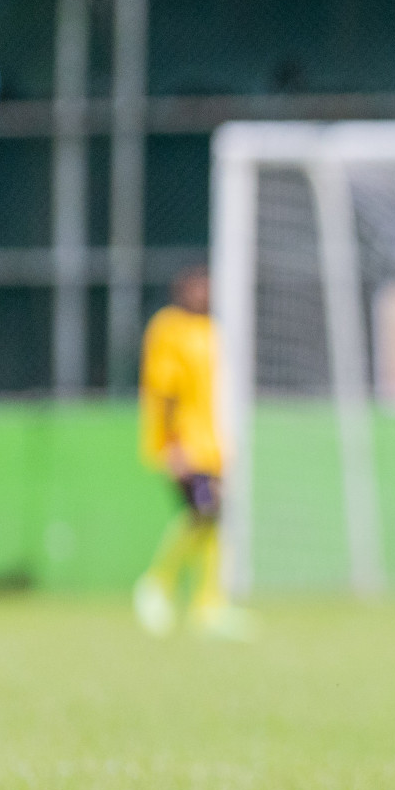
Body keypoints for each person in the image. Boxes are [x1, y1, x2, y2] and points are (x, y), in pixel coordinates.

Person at [133, 266, 243, 639]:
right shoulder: (169, 328)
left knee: (215, 519)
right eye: (196, 288)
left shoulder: (211, 331)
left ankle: (208, 605)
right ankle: (155, 584)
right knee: (202, 512)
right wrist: (171, 444)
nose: (203, 295)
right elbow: (165, 391)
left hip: (213, 445)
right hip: (186, 445)